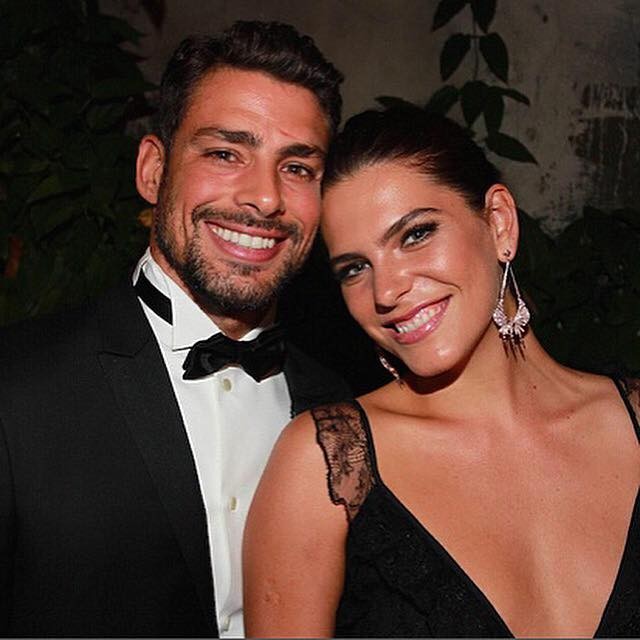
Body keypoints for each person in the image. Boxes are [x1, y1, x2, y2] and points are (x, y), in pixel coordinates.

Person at [0, 21, 350, 637]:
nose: (265, 199)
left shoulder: (344, 410)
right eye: (225, 154)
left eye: (297, 168)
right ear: (153, 171)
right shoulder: (17, 387)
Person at [243, 107, 640, 638]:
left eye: (415, 234)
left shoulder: (633, 422)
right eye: (355, 268)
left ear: (499, 222)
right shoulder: (324, 466)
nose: (387, 291)